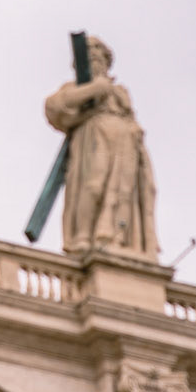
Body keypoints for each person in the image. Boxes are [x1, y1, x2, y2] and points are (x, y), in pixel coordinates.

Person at [45, 36, 158, 257]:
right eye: (89, 53)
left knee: (123, 191)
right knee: (94, 185)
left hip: (125, 141)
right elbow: (54, 107)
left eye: (98, 51)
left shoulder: (120, 92)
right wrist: (94, 89)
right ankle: (83, 238)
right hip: (94, 137)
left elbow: (130, 116)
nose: (94, 55)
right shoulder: (74, 89)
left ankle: (116, 240)